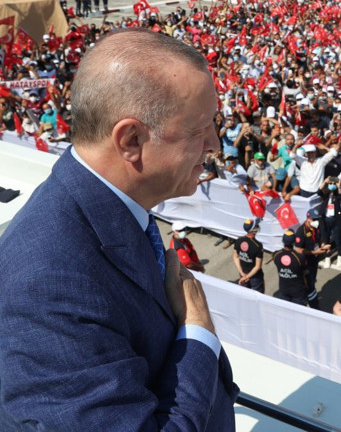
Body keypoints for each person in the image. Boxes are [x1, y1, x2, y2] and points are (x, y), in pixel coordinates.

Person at [0, 29, 237, 430]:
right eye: (198, 130)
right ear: (131, 140)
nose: (215, 143)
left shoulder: (106, 206)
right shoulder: (49, 290)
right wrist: (198, 333)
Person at [271, 229, 310, 306]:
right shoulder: (300, 257)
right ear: (294, 242)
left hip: (283, 290)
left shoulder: (276, 255)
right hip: (298, 291)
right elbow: (305, 272)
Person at [233, 217, 265, 293]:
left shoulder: (239, 240)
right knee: (258, 296)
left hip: (243, 274)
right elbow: (257, 266)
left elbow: (235, 257)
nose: (258, 226)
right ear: (253, 230)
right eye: (256, 226)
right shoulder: (258, 246)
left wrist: (242, 274)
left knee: (245, 294)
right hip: (255, 276)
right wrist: (246, 277)